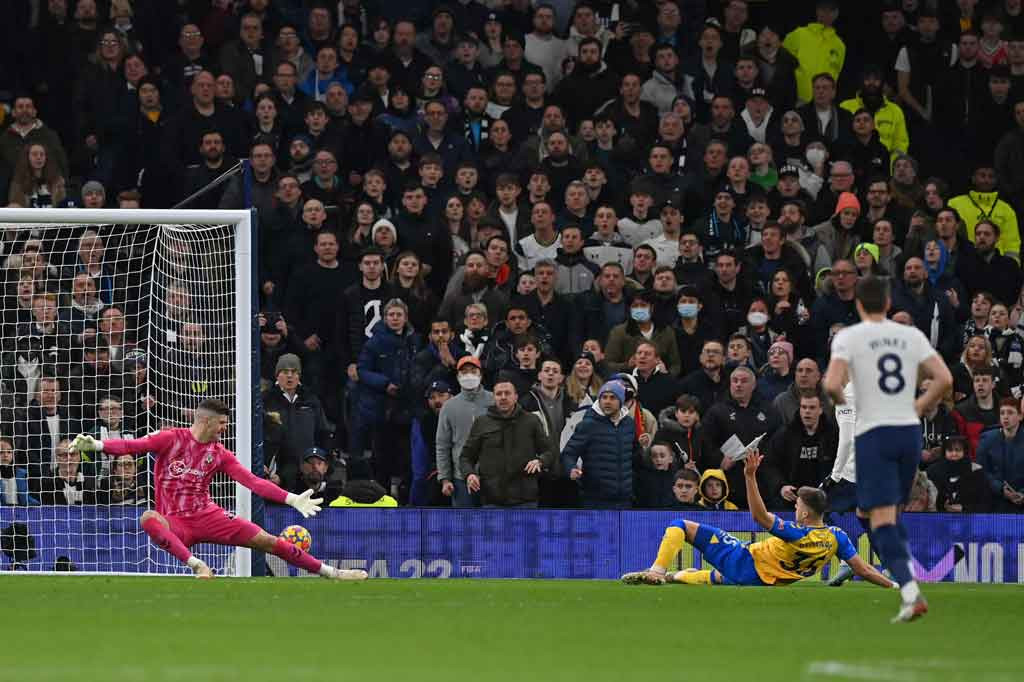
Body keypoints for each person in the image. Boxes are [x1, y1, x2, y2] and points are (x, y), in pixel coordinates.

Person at [68, 399, 367, 580]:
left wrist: (290, 498)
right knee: (148, 517)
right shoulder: (171, 439)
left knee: (268, 541)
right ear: (206, 420)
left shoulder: (219, 453)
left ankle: (331, 573)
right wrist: (96, 444)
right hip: (176, 522)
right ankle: (199, 566)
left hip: (208, 515)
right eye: (222, 423)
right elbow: (132, 446)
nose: (225, 427)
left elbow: (252, 481)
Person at [824, 275, 953, 622]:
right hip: (908, 432)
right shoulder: (910, 336)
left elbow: (832, 384)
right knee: (873, 514)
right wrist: (919, 405)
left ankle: (910, 592)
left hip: (875, 432)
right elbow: (945, 379)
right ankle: (900, 575)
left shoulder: (850, 337)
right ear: (887, 302)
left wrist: (846, 405)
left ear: (858, 304)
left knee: (880, 519)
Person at [620, 451, 893, 588]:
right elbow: (865, 570)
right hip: (760, 579)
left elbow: (760, 517)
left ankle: (656, 571)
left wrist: (750, 477)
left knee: (680, 526)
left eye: (797, 505)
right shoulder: (837, 537)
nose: (795, 509)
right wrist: (893, 585)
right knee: (710, 577)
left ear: (806, 512)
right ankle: (672, 577)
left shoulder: (799, 533)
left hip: (745, 561)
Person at [459, 376, 552, 507]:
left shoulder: (531, 420)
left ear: (516, 397)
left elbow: (548, 451)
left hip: (525, 499)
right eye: (498, 394)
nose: (503, 397)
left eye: (507, 393)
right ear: (494, 398)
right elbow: (466, 457)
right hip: (491, 499)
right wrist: (469, 474)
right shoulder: (482, 423)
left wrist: (540, 461)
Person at [560, 380, 636, 509]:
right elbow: (568, 453)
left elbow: (633, 454)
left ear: (621, 401)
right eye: (604, 397)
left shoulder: (628, 423)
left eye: (612, 398)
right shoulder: (588, 425)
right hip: (595, 499)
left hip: (624, 499)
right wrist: (571, 468)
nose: (607, 401)